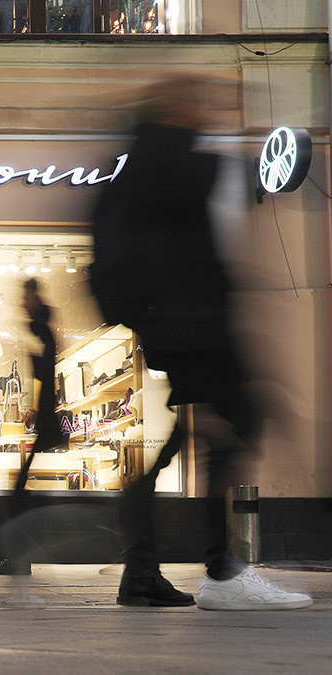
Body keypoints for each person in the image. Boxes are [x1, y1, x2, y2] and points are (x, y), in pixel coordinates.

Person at [89, 74, 311, 610]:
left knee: (196, 444)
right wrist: (189, 338)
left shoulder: (141, 165)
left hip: (183, 332)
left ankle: (145, 571)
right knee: (231, 436)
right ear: (174, 109)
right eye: (195, 102)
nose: (204, 111)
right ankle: (220, 572)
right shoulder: (166, 163)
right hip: (196, 333)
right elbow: (178, 261)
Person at [0, 278, 64, 576]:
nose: (21, 303)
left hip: (47, 423)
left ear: (34, 298)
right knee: (21, 492)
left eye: (25, 298)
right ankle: (20, 556)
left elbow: (45, 373)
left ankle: (19, 558)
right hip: (46, 421)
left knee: (19, 492)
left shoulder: (42, 329)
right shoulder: (42, 328)